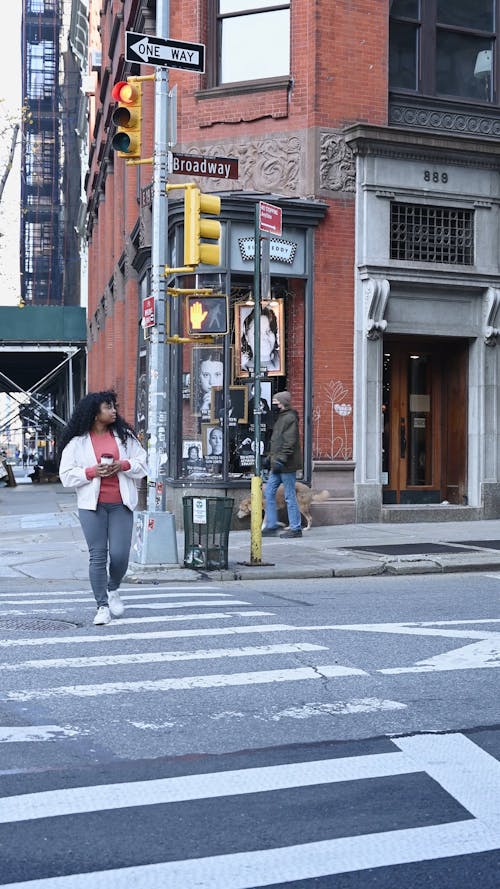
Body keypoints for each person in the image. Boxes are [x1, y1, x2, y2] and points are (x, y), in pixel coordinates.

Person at [59, 390, 148, 626]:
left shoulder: (124, 437)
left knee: (120, 555)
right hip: (92, 506)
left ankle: (113, 587)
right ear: (95, 413)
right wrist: (91, 471)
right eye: (108, 407)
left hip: (121, 504)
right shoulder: (77, 443)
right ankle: (102, 606)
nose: (113, 411)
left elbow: (142, 463)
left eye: (113, 407)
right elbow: (66, 475)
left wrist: (123, 464)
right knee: (97, 556)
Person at [262, 390, 303, 539]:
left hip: (286, 465)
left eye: (276, 403)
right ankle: (272, 525)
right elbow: (277, 442)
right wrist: (270, 458)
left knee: (289, 495)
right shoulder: (281, 417)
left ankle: (295, 528)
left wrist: (280, 459)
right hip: (277, 464)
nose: (275, 405)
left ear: (283, 403)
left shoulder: (289, 418)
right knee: (269, 492)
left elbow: (289, 441)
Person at [240, 306, 280, 372]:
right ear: (247, 338)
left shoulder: (281, 362)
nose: (265, 337)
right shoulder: (245, 368)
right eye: (257, 333)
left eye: (268, 331)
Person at [196, 351, 223, 418]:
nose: (211, 382)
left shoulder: (230, 401)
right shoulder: (195, 402)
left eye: (217, 374)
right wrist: (204, 407)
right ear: (199, 377)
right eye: (206, 375)